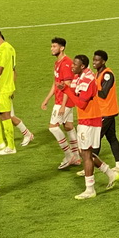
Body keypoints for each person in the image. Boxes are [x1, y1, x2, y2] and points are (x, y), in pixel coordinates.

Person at [57, 55, 119, 199]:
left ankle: (90, 189)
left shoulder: (87, 80)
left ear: (82, 66)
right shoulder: (80, 77)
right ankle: (111, 173)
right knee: (86, 153)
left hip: (90, 120)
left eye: (75, 65)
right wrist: (66, 88)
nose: (72, 66)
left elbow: (81, 103)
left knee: (85, 154)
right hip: (87, 119)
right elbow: (74, 93)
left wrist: (66, 91)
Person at [0, 29, 33, 156]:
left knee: (5, 116)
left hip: (3, 88)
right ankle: (0, 141)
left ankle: (11, 146)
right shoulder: (9, 48)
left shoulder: (4, 50)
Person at [41, 37, 80, 170]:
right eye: (51, 46)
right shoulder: (57, 63)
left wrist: (63, 105)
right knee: (68, 126)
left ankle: (69, 155)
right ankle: (77, 156)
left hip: (65, 101)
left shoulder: (66, 63)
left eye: (54, 46)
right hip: (62, 100)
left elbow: (67, 85)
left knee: (53, 127)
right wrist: (46, 99)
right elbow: (56, 83)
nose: (52, 49)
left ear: (62, 48)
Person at [92, 50, 119, 174]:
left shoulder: (107, 75)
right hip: (104, 111)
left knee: (95, 138)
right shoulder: (97, 74)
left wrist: (90, 90)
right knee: (112, 138)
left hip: (106, 112)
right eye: (93, 59)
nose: (94, 62)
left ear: (103, 61)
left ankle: (90, 166)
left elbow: (104, 94)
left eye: (97, 60)